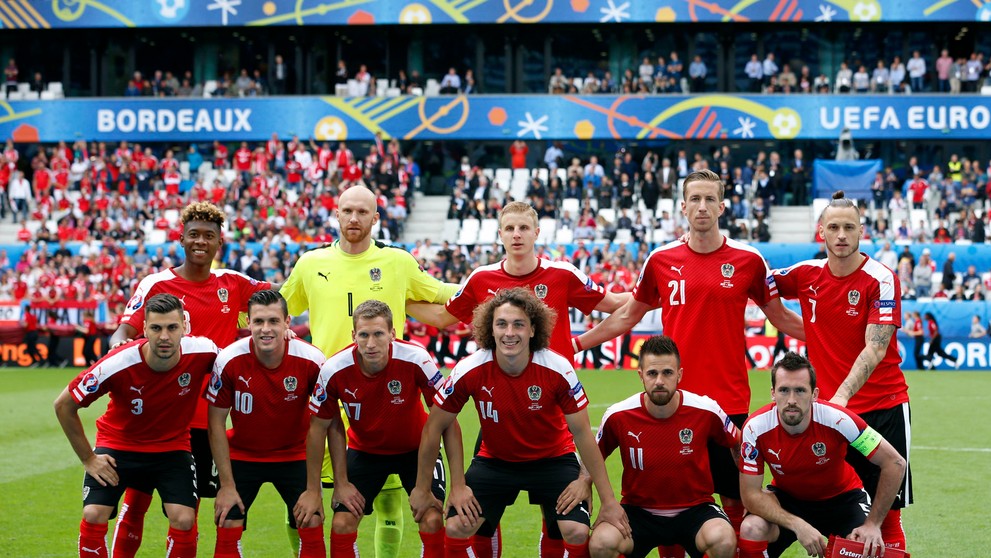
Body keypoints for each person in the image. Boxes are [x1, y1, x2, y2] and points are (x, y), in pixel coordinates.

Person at [574, 169, 804, 542]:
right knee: (673, 500)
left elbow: (782, 318)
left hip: (729, 401)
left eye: (709, 199)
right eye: (694, 199)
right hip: (672, 402)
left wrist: (831, 337)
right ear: (682, 207)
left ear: (722, 206)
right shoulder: (660, 260)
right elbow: (629, 314)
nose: (702, 206)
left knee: (737, 500)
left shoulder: (748, 260)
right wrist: (579, 343)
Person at [407, 200, 629, 556]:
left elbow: (617, 304)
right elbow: (445, 318)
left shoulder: (562, 273)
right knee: (479, 517)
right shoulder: (482, 279)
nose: (517, 235)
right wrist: (391, 297)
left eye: (524, 228)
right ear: (499, 235)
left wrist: (581, 342)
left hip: (555, 402)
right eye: (509, 228)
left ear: (537, 233)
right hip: (499, 405)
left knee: (558, 515)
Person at [280, 185, 458, 557]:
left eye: (363, 212)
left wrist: (500, 285)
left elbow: (442, 293)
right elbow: (278, 311)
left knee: (390, 504)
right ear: (337, 215)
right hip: (324, 396)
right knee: (302, 501)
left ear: (376, 218)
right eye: (347, 211)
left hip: (386, 398)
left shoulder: (398, 262)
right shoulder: (311, 264)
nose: (354, 218)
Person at [107, 201, 273, 557]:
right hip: (155, 417)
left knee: (187, 510)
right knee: (136, 503)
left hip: (204, 418)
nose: (201, 242)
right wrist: (120, 345)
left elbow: (276, 302)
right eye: (194, 235)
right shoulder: (156, 283)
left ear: (219, 242)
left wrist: (279, 328)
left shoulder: (235, 283)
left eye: (208, 236)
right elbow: (123, 330)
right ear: (180, 238)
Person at [772, 191, 913, 550]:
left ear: (861, 231)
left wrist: (842, 397)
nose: (841, 235)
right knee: (841, 508)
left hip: (881, 408)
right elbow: (754, 281)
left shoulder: (880, 278)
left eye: (849, 227)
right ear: (821, 231)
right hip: (830, 415)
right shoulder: (806, 274)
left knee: (885, 514)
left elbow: (876, 346)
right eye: (833, 226)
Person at [53, 294, 219, 558]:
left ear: (184, 328)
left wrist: (283, 336)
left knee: (184, 518)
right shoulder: (118, 362)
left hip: (171, 448)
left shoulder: (204, 351)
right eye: (156, 328)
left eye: (172, 327)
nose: (164, 336)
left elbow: (238, 364)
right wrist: (88, 458)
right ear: (144, 329)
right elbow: (64, 405)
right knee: (94, 513)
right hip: (119, 445)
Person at [296, 300, 457, 557]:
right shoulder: (334, 369)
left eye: (378, 334)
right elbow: (318, 429)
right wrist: (326, 487)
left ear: (392, 334)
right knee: (342, 523)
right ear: (354, 335)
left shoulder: (416, 358)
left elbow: (446, 418)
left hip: (416, 451)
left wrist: (430, 487)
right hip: (365, 452)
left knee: (432, 519)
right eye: (364, 335)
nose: (370, 343)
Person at [737, 353, 907, 558]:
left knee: (866, 546)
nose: (791, 400)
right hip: (789, 500)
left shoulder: (839, 419)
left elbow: (895, 462)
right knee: (751, 528)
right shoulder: (755, 428)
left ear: (814, 394)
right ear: (773, 393)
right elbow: (750, 495)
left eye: (800, 390)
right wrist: (798, 524)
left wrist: (873, 524)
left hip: (843, 499)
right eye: (784, 390)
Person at [589, 336, 738, 558]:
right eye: (652, 373)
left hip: (695, 510)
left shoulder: (706, 410)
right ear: (641, 375)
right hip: (638, 512)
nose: (659, 381)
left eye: (667, 373)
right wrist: (585, 483)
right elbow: (593, 455)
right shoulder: (618, 415)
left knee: (723, 540)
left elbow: (741, 447)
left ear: (679, 374)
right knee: (601, 544)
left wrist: (752, 490)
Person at [205, 290, 328, 557]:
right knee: (227, 517)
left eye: (273, 321)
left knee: (312, 518)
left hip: (295, 454)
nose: (266, 329)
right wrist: (226, 486)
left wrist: (313, 489)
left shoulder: (312, 360)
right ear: (247, 322)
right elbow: (215, 422)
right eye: (258, 321)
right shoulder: (228, 360)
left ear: (287, 322)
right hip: (242, 454)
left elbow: (327, 423)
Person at [20, 303, 43, 367]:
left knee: (31, 348)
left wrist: (21, 323)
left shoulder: (26, 315)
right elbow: (36, 324)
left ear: (25, 309)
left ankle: (37, 361)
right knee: (33, 348)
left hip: (30, 333)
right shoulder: (33, 315)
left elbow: (26, 325)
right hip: (35, 332)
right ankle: (39, 361)